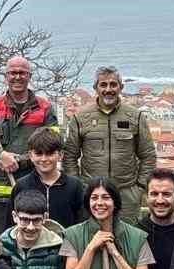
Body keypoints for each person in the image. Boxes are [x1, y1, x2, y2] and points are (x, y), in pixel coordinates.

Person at [0, 55, 62, 231]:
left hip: (35, 189)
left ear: (29, 76)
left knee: (35, 235)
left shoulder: (44, 108)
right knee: (2, 239)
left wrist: (19, 161)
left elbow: (54, 145)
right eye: (13, 73)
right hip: (2, 192)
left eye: (22, 73)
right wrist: (0, 155)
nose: (17, 77)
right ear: (6, 76)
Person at [63, 66, 157, 222]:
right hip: (92, 195)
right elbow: (69, 157)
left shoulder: (135, 116)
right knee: (92, 235)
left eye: (113, 84)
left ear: (121, 87)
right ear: (95, 88)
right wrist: (79, 188)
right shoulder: (81, 118)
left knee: (126, 236)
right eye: (103, 85)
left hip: (126, 195)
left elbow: (148, 156)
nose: (108, 89)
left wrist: (139, 188)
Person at [13, 129, 86, 229]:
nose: (44, 159)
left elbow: (82, 224)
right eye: (39, 154)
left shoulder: (75, 186)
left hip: (67, 239)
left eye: (49, 154)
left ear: (60, 155)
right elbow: (11, 225)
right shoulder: (22, 185)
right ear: (30, 156)